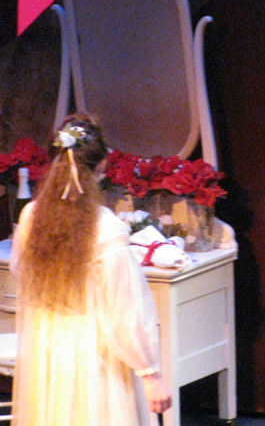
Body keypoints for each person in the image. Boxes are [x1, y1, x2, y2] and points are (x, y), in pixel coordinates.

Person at [10, 113, 172, 426]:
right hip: (93, 359)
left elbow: (21, 270)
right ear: (101, 167)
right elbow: (124, 311)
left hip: (47, 352)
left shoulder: (31, 216)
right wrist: (149, 372)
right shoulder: (106, 228)